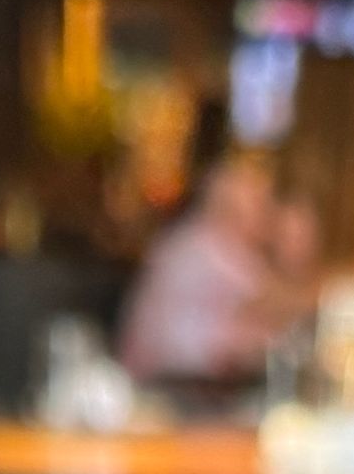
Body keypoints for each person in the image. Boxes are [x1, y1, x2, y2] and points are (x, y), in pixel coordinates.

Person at [117, 153, 316, 390]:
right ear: (233, 207)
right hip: (164, 391)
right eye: (260, 202)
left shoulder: (200, 242)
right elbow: (278, 300)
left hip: (179, 386)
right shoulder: (210, 248)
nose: (270, 213)